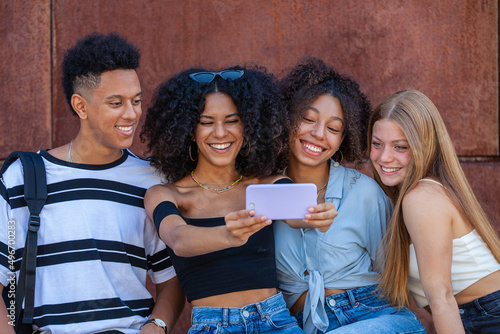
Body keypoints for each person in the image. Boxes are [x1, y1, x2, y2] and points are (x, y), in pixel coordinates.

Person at [0, 32, 185, 334]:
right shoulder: (22, 176)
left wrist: (157, 326)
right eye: (116, 103)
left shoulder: (151, 182)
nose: (131, 114)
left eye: (136, 101)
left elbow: (172, 280)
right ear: (81, 106)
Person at [140, 65, 336, 333]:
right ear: (188, 130)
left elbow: (297, 213)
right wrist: (228, 236)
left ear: (249, 127)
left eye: (232, 121)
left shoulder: (266, 184)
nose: (220, 133)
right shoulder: (167, 195)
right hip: (214, 326)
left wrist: (316, 218)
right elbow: (178, 239)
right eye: (207, 122)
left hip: (275, 321)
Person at [274, 57, 426, 334]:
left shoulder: (365, 193)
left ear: (345, 137)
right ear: (287, 119)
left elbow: (395, 281)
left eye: (333, 128)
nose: (318, 134)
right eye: (307, 119)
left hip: (369, 317)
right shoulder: (262, 194)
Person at [368, 89, 500, 333]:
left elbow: (442, 299)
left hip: (486, 317)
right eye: (377, 144)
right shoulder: (420, 192)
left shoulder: (421, 197)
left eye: (400, 147)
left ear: (424, 146)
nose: (385, 157)